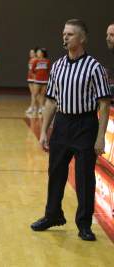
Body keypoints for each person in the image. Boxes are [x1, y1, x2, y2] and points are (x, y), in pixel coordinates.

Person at [31, 19, 112, 241]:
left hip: (85, 125)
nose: (65, 37)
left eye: (70, 34)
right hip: (62, 124)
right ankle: (53, 215)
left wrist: (100, 138)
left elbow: (104, 104)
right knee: (55, 172)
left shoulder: (95, 68)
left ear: (82, 38)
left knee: (85, 177)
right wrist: (44, 131)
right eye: (64, 34)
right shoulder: (57, 66)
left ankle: (84, 224)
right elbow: (50, 102)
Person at [31, 48, 50, 114]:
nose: (37, 53)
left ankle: (41, 108)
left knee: (42, 95)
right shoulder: (35, 61)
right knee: (34, 94)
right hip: (37, 80)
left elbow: (48, 70)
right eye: (37, 52)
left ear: (42, 53)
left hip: (45, 80)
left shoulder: (47, 61)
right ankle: (32, 107)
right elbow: (32, 70)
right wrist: (36, 76)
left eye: (39, 52)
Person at [25, 47, 38, 114]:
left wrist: (35, 78)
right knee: (33, 94)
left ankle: (32, 107)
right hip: (29, 78)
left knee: (34, 94)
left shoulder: (36, 60)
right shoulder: (30, 60)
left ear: (35, 53)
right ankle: (35, 107)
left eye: (32, 53)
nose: (30, 54)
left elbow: (36, 70)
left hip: (34, 79)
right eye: (30, 53)